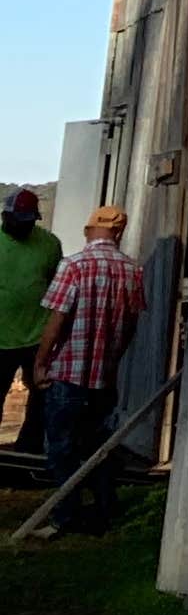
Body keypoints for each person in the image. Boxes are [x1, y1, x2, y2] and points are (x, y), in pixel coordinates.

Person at [32, 205, 149, 535]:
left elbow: (57, 319)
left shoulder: (74, 265)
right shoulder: (132, 270)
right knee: (100, 447)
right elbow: (129, 326)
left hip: (68, 373)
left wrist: (41, 363)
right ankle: (103, 511)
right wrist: (114, 359)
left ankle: (65, 516)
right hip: (105, 377)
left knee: (60, 446)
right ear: (119, 233)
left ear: (90, 230)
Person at [0, 191, 57, 459]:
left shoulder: (48, 244)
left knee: (41, 398)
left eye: (29, 220)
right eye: (18, 219)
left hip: (37, 336)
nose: (24, 225)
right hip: (0, 339)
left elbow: (57, 286)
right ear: (5, 216)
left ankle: (28, 452)